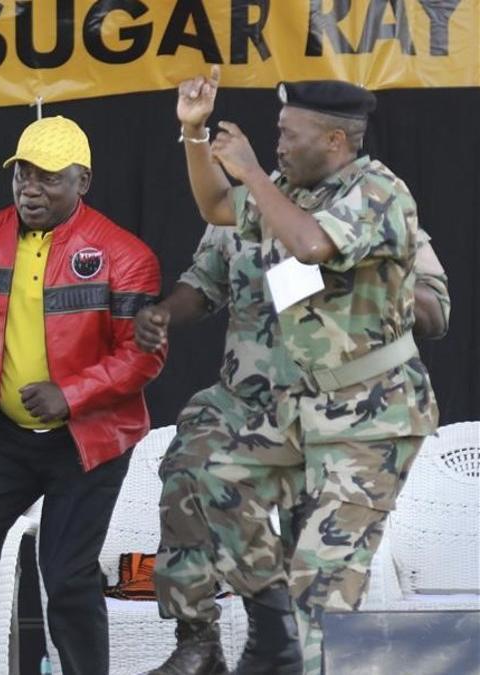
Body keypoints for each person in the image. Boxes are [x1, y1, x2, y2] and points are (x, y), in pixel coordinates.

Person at [175, 66, 438, 674]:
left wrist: (252, 173)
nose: (278, 144)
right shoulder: (287, 187)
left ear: (335, 142)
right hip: (301, 410)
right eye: (276, 133)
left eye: (289, 134)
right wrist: (195, 135)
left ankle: (295, 639)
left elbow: (313, 246)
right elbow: (217, 205)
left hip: (373, 419)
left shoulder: (379, 193)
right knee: (203, 475)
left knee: (320, 596)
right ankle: (266, 631)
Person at [138, 223, 450, 675]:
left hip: (336, 416)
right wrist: (164, 312)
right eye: (280, 145)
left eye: (293, 144)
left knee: (312, 570)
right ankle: (199, 639)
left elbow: (434, 314)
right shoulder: (239, 212)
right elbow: (204, 284)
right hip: (245, 404)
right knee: (191, 467)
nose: (284, 150)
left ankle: (291, 646)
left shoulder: (372, 213)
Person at [0, 116, 165, 674]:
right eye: (22, 175)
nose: (30, 188)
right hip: (3, 433)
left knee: (66, 573)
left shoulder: (126, 254)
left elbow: (144, 355)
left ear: (82, 181)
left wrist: (72, 394)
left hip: (89, 439)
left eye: (48, 178)